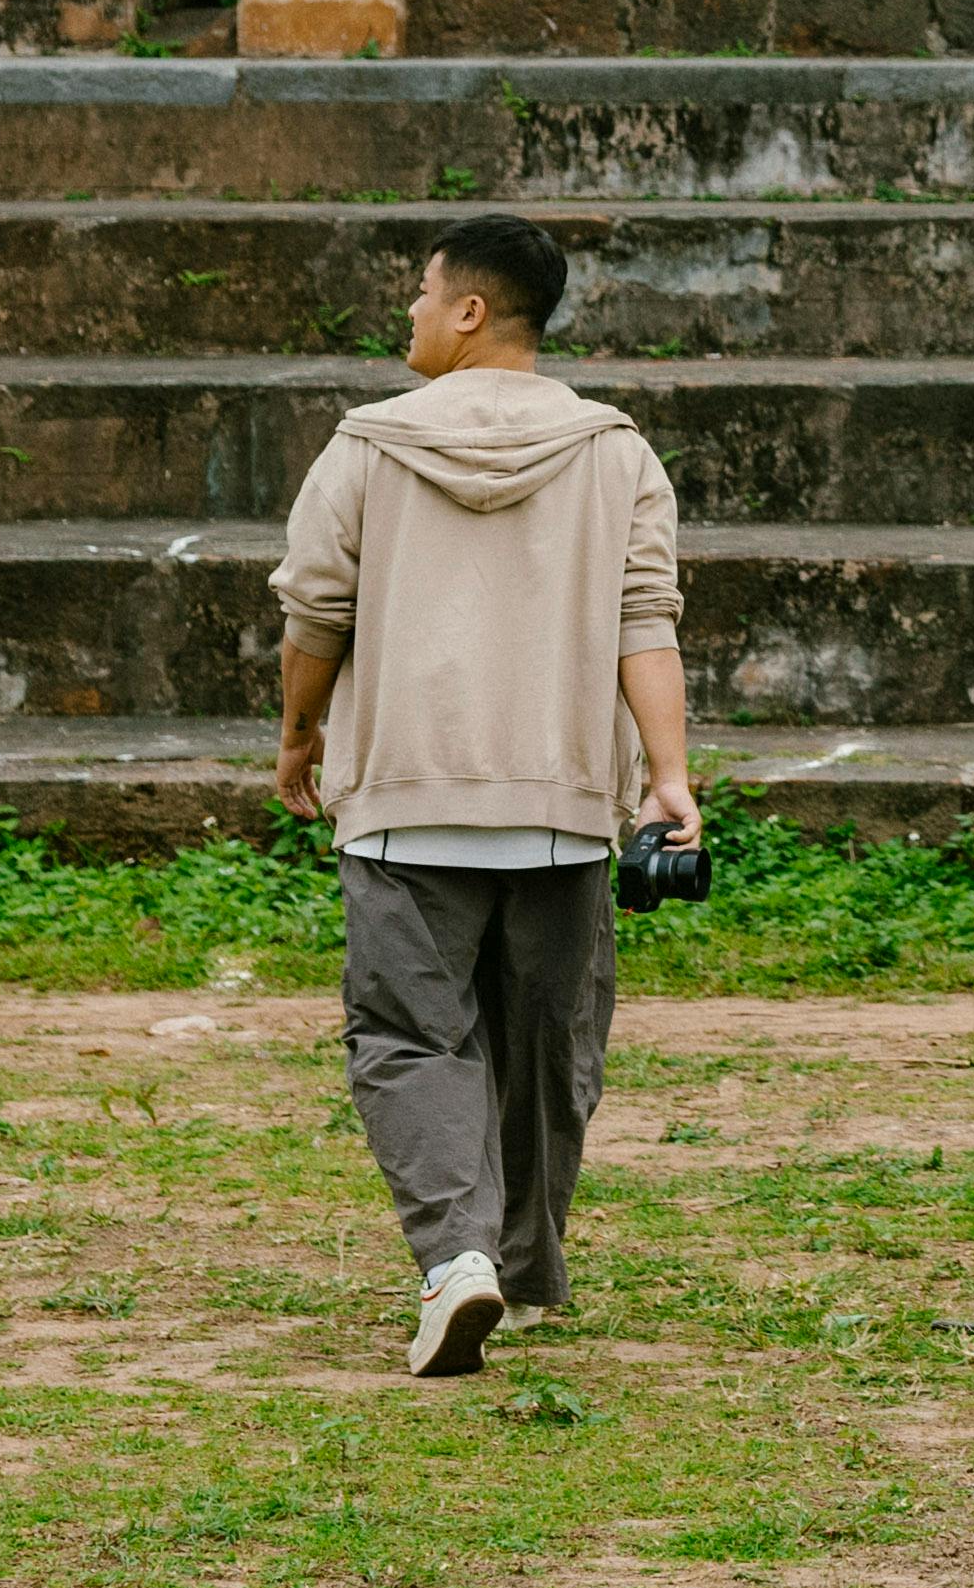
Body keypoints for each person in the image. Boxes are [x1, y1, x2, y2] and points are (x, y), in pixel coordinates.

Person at [271, 210, 696, 1380]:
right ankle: (521, 1255)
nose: (408, 313)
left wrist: (300, 738)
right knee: (547, 1037)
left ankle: (458, 1261)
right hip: (560, 802)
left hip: (408, 796)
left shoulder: (366, 444)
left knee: (412, 1037)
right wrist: (666, 776)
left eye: (420, 294)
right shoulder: (616, 451)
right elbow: (643, 620)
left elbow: (316, 614)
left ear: (469, 309)